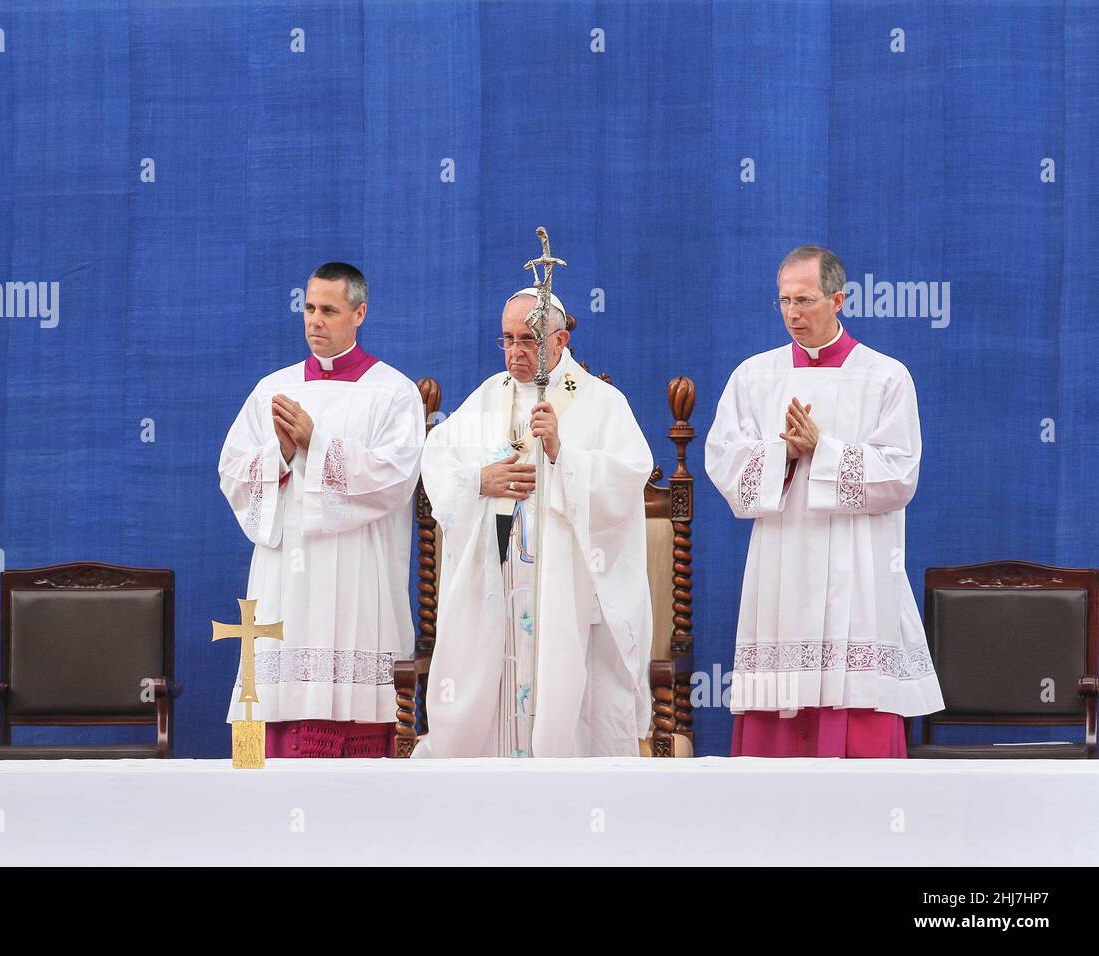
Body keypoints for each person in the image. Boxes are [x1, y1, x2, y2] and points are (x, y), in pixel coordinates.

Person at [705, 245, 943, 757]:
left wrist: (824, 450)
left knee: (854, 701)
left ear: (839, 299)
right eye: (784, 301)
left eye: (806, 300)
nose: (793, 313)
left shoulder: (885, 376)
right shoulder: (754, 376)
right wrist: (783, 454)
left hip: (859, 567)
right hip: (782, 564)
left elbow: (901, 474)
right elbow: (723, 462)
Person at [412, 287, 654, 758]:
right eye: (507, 339)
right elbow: (438, 461)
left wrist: (565, 455)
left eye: (529, 340)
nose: (515, 352)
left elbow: (627, 479)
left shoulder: (601, 402)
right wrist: (480, 481)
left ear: (561, 341)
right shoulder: (487, 398)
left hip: (565, 589)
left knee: (562, 693)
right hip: (498, 583)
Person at [217, 262, 424, 757]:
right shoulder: (272, 389)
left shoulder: (393, 392)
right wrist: (283, 455)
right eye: (308, 308)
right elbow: (232, 473)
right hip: (284, 580)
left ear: (360, 314)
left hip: (359, 577)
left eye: (329, 310)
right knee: (271, 694)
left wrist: (319, 443)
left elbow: (396, 478)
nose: (315, 320)